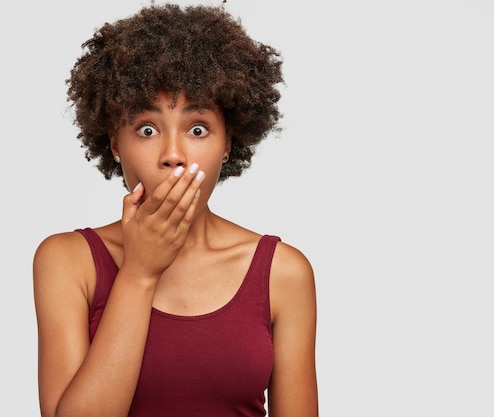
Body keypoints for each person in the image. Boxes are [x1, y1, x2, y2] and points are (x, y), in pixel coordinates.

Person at [32, 3, 318, 417]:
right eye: (147, 129)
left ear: (228, 143)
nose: (172, 155)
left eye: (197, 128)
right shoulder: (67, 261)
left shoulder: (282, 272)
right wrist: (139, 272)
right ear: (114, 143)